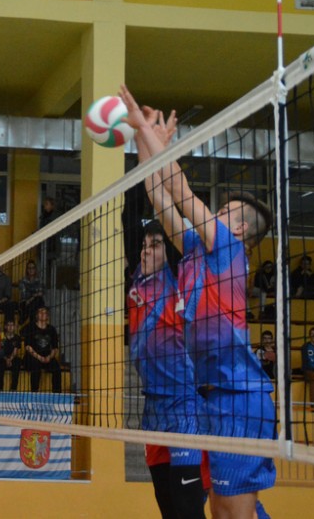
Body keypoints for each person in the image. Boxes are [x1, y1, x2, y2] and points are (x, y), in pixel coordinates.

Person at [122, 85, 275, 516]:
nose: (214, 213)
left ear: (239, 229)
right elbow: (160, 196)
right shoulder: (194, 250)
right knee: (222, 512)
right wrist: (146, 144)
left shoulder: (228, 248)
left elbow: (181, 189)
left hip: (239, 397)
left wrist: (144, 130)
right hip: (210, 396)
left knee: (232, 513)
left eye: (223, 211)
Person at [128, 219, 205, 519]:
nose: (145, 251)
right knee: (167, 507)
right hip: (153, 409)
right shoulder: (138, 277)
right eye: (144, 246)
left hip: (183, 406)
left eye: (155, 245)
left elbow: (193, 248)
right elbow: (128, 218)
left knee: (187, 508)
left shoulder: (178, 282)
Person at [23, 305, 63, 393]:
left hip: (47, 356)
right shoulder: (30, 327)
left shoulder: (52, 329)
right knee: (36, 366)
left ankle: (57, 394)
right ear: (36, 315)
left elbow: (55, 348)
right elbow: (27, 347)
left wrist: (49, 357)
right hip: (32, 356)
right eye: (40, 312)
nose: (42, 314)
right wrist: (39, 357)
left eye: (45, 312)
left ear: (47, 316)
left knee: (57, 368)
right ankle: (34, 393)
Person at [0, 319, 25, 392]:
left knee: (17, 364)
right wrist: (6, 359)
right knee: (0, 365)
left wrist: (10, 359)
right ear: (5, 326)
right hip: (2, 357)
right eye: (9, 325)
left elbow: (15, 351)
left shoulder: (17, 337)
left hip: (13, 357)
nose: (10, 327)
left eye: (12, 325)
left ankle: (13, 389)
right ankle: (0, 389)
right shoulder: (1, 336)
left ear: (14, 327)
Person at [17, 259, 45, 325]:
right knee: (36, 302)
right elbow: (24, 296)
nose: (31, 270)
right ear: (27, 270)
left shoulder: (39, 281)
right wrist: (35, 294)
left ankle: (24, 316)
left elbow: (41, 293)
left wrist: (31, 298)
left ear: (35, 269)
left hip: (31, 303)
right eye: (29, 268)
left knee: (38, 300)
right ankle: (33, 325)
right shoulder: (23, 281)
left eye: (33, 268)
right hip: (25, 303)